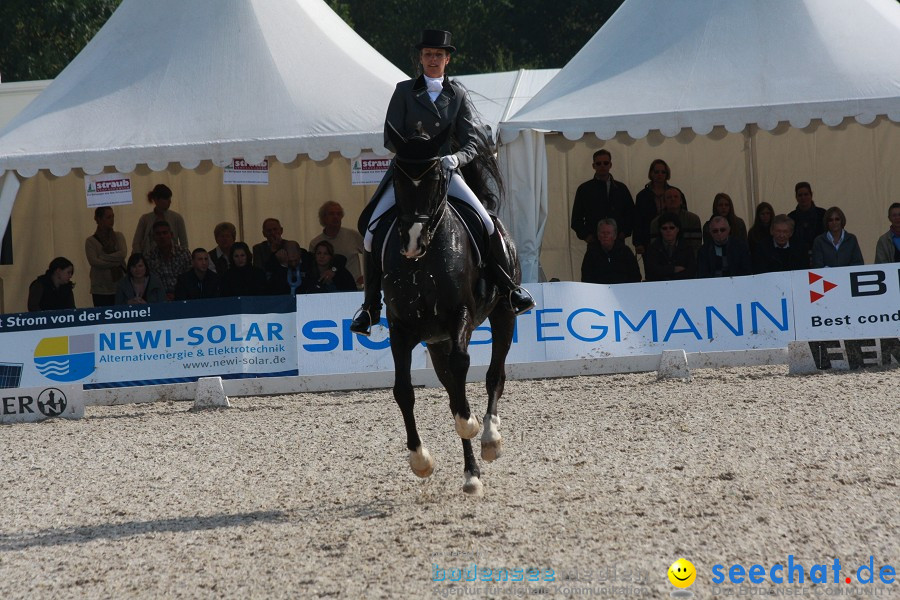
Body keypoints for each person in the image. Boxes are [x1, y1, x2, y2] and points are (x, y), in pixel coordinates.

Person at [349, 29, 534, 336]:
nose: (432, 60)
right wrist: (417, 149)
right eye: (427, 55)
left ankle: (509, 287)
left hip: (444, 173)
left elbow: (471, 143)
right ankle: (370, 308)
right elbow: (389, 135)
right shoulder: (404, 90)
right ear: (420, 58)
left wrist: (456, 160)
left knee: (487, 224)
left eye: (438, 55)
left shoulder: (457, 94)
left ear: (447, 59)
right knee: (370, 230)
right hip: (408, 172)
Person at [570, 149, 635, 244]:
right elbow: (576, 218)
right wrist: (587, 236)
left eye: (605, 163)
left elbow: (631, 214)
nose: (602, 166)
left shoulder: (621, 188)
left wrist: (624, 233)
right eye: (598, 163)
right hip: (595, 242)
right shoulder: (584, 189)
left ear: (610, 165)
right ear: (593, 166)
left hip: (617, 241)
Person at [633, 159, 688, 255]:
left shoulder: (675, 193)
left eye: (663, 172)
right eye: (656, 172)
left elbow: (684, 215)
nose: (660, 174)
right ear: (651, 173)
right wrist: (638, 242)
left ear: (667, 174)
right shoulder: (642, 195)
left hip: (674, 240)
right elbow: (637, 220)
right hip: (649, 240)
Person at [309, 201, 364, 288]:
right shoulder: (315, 243)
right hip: (326, 289)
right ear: (323, 217)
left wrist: (368, 276)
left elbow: (372, 254)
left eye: (338, 214)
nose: (335, 217)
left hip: (353, 288)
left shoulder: (353, 235)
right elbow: (312, 268)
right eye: (331, 214)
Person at [84, 206, 127, 307]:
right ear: (98, 219)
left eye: (113, 217)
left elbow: (122, 254)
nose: (112, 220)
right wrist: (116, 261)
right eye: (108, 217)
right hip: (100, 289)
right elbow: (94, 262)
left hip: (119, 286)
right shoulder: (90, 241)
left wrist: (103, 256)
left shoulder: (119, 236)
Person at [132, 184, 188, 254]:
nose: (170, 201)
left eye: (170, 198)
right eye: (166, 198)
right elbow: (136, 243)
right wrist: (141, 258)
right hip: (149, 259)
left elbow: (184, 243)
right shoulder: (145, 219)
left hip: (173, 259)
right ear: (156, 199)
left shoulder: (177, 218)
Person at [580, 219, 641, 284]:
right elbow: (586, 277)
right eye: (603, 233)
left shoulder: (625, 252)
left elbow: (635, 276)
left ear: (615, 236)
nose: (605, 236)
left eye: (608, 233)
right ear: (598, 236)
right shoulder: (591, 253)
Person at [144, 220, 192, 300]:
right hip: (159, 300)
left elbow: (190, 279)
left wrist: (178, 294)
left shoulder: (184, 253)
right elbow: (149, 285)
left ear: (171, 235)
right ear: (153, 237)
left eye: (165, 233)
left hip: (184, 298)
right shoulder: (149, 257)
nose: (162, 236)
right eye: (158, 234)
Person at [643, 213, 696, 281]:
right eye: (664, 228)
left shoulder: (687, 248)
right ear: (660, 230)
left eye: (672, 228)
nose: (668, 231)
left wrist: (664, 271)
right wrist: (673, 269)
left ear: (678, 229)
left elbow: (691, 272)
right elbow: (650, 272)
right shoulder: (652, 248)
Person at [648, 187, 702, 252]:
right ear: (664, 202)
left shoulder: (693, 219)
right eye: (669, 197)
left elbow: (696, 246)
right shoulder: (655, 223)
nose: (673, 199)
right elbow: (655, 248)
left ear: (681, 201)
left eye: (676, 197)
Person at [788, 181, 826, 265]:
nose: (803, 197)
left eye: (806, 194)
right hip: (798, 260)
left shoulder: (823, 214)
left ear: (811, 195)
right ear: (796, 197)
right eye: (800, 195)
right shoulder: (791, 217)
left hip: (821, 257)